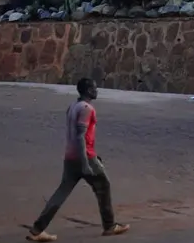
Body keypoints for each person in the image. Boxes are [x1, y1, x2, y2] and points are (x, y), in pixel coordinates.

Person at [26, 78, 129, 242]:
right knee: (103, 186)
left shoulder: (73, 106)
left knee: (61, 193)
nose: (96, 90)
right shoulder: (87, 109)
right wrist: (86, 163)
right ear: (88, 90)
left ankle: (37, 229)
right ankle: (109, 226)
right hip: (85, 156)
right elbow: (81, 136)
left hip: (70, 157)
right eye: (94, 88)